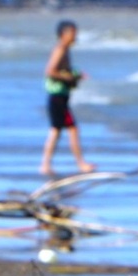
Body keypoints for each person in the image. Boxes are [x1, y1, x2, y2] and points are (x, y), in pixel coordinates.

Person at [40, 20, 94, 175]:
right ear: (64, 34)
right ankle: (80, 163)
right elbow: (50, 71)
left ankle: (46, 164)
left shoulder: (65, 49)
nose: (75, 36)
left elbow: (63, 70)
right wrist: (69, 79)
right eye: (73, 33)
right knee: (71, 129)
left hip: (60, 96)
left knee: (56, 131)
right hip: (57, 96)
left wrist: (76, 74)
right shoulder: (60, 49)